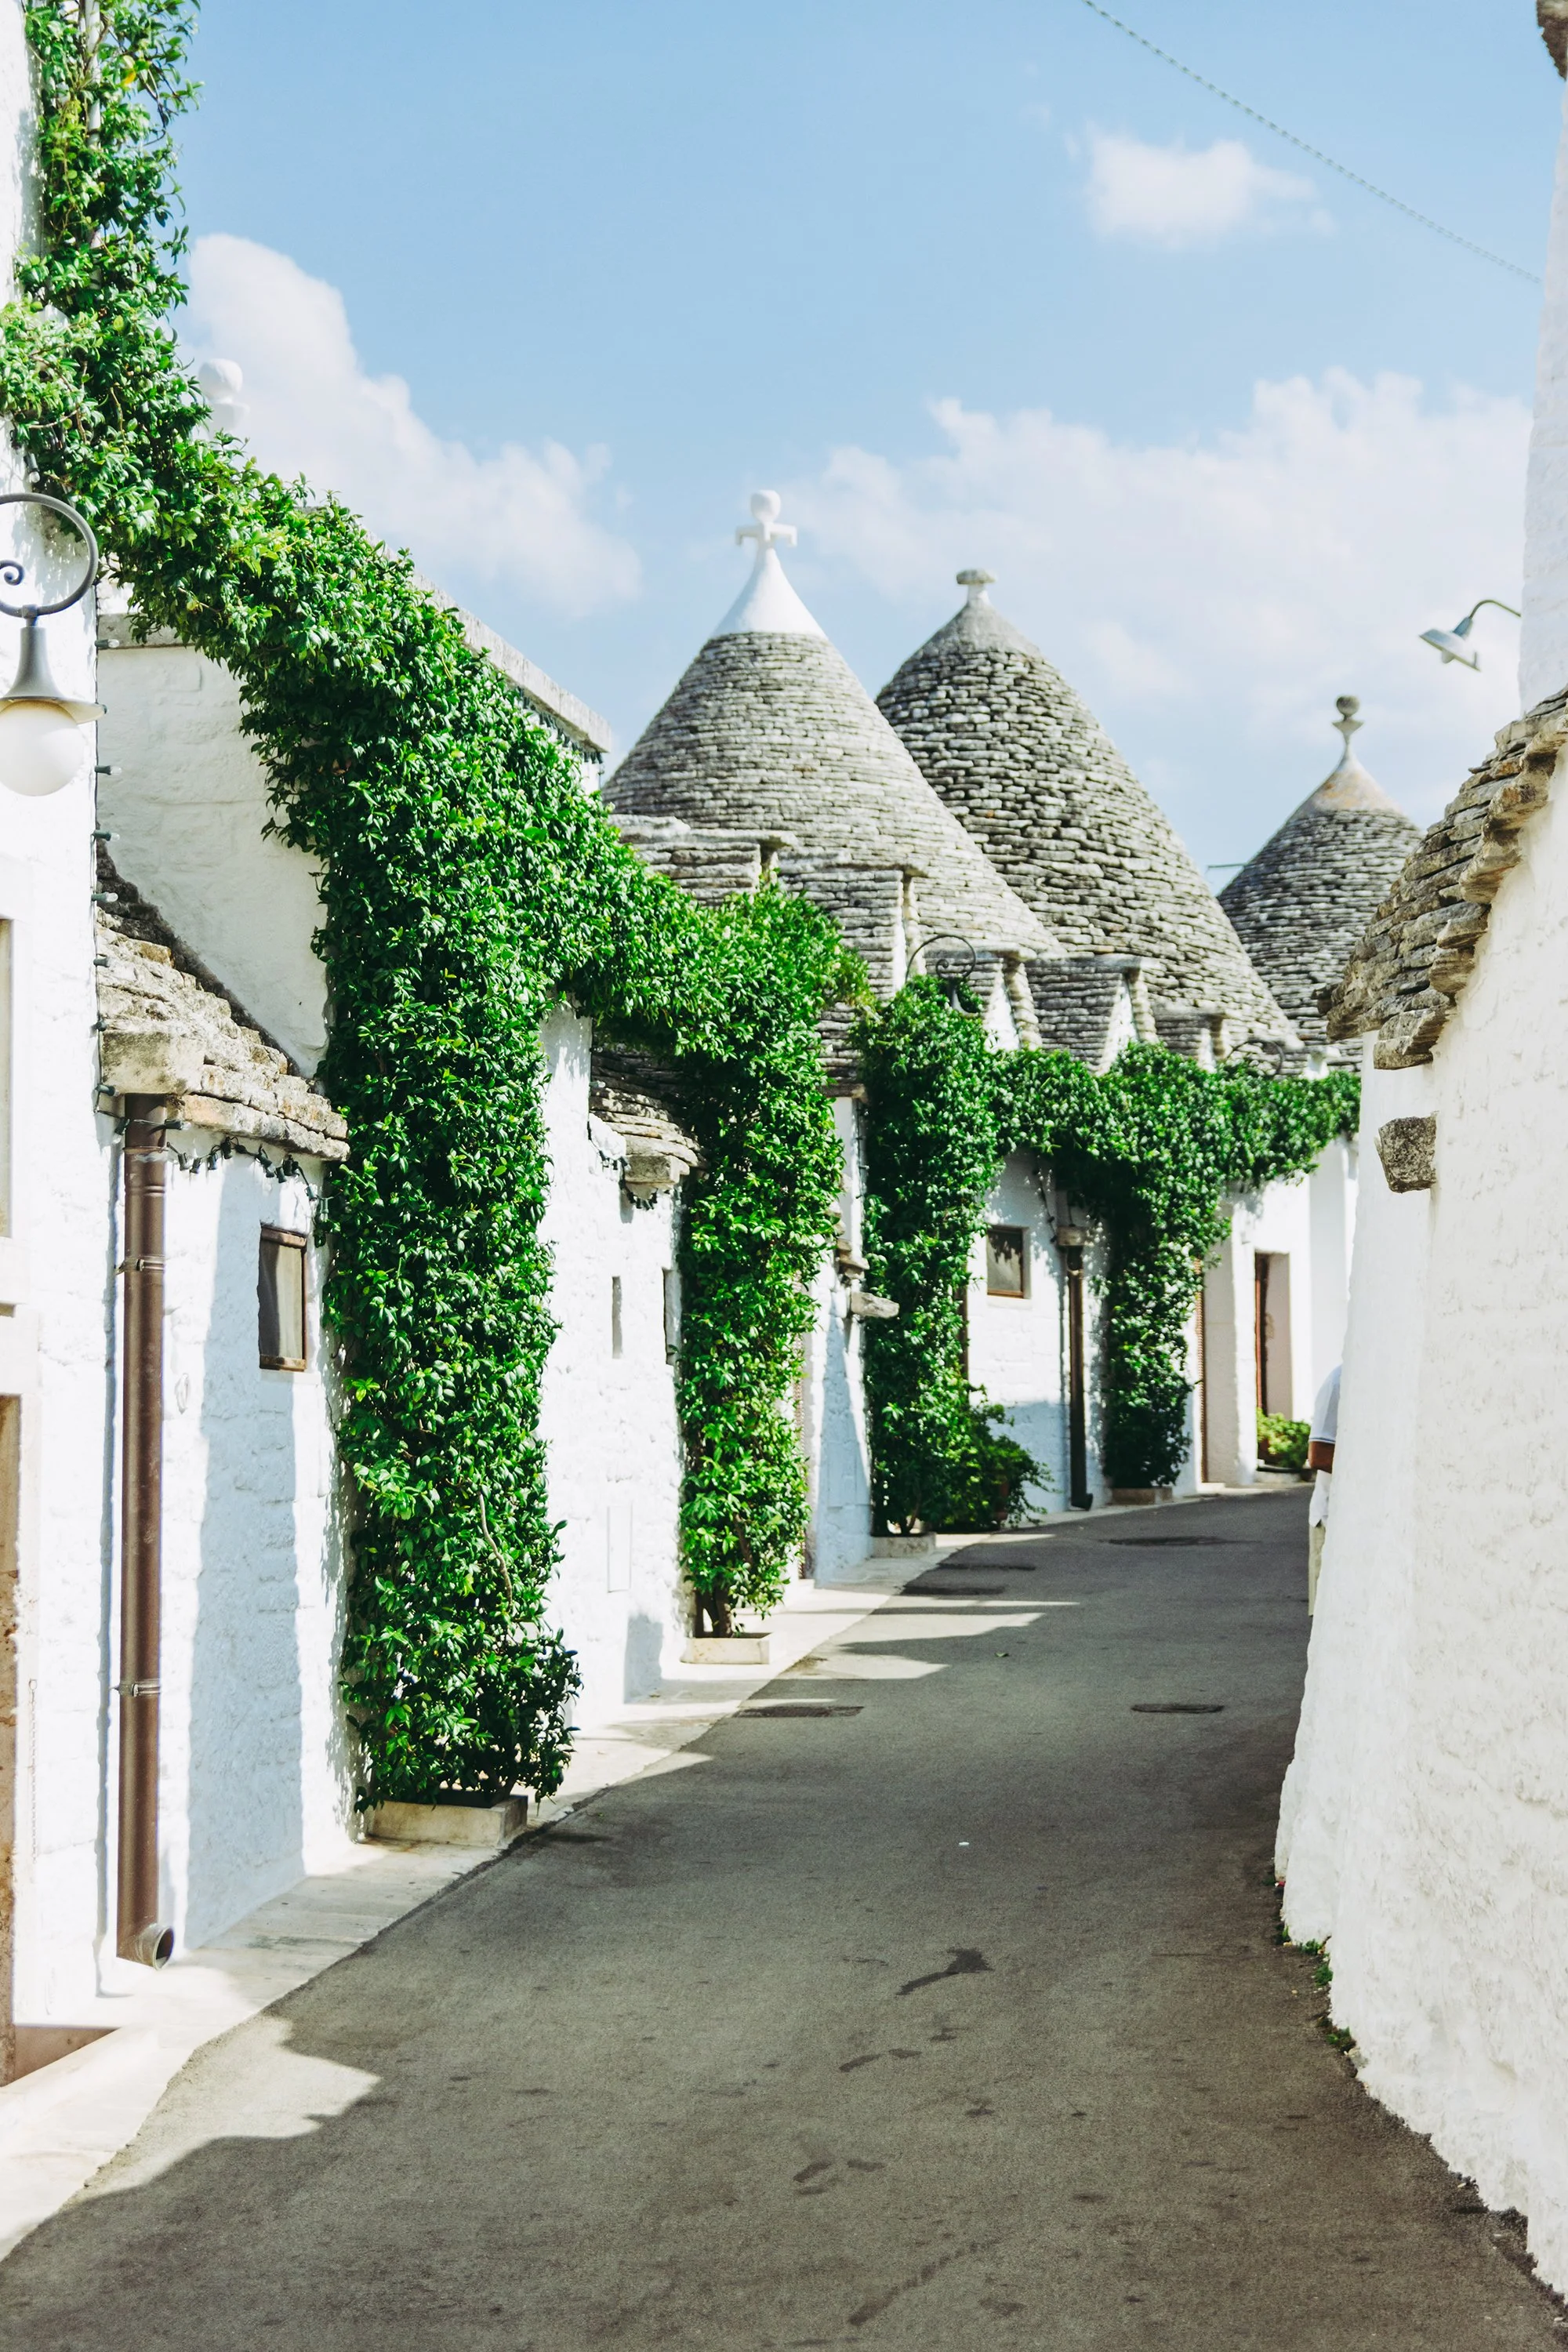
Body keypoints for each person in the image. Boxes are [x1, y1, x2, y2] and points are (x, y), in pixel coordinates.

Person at [1306, 1363, 1340, 1615]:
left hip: (1362, 1521)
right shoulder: (1337, 1383)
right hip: (1329, 1520)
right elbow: (1318, 1455)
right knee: (1327, 1614)